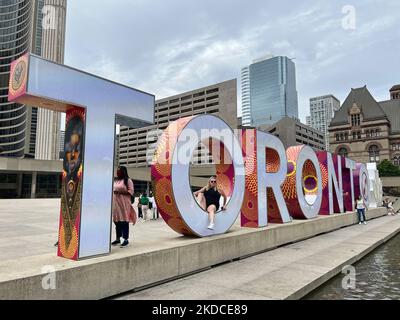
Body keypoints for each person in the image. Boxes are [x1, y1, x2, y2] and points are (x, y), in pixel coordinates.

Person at [112, 166, 136, 248]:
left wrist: (120, 191)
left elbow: (131, 192)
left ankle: (125, 239)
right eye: (117, 171)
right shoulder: (116, 180)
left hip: (124, 204)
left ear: (123, 171)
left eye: (119, 171)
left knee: (124, 222)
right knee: (117, 222)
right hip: (116, 204)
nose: (117, 172)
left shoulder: (128, 180)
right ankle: (118, 238)